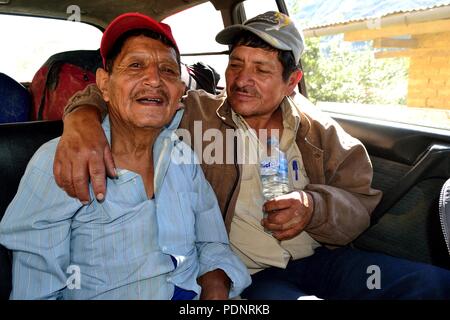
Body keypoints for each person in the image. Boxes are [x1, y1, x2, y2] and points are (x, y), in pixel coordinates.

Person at [53, 11, 450, 299]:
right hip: (248, 272)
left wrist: (312, 206)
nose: (242, 80)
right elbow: (114, 93)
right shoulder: (195, 112)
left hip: (320, 259)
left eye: (261, 70)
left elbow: (359, 202)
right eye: (236, 65)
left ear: (292, 81)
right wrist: (82, 121)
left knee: (430, 285)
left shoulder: (319, 131)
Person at [0, 13, 250, 300]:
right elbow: (36, 293)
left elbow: (211, 241)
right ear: (104, 85)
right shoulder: (61, 161)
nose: (154, 79)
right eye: (135, 66)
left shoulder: (183, 155)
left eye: (168, 70)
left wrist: (216, 284)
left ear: (180, 92)